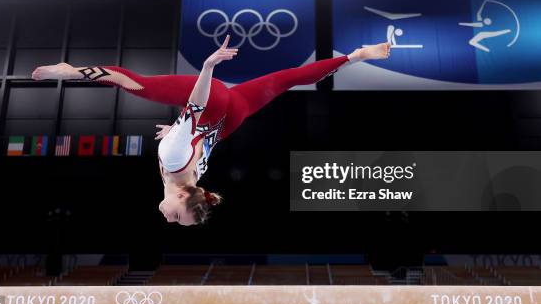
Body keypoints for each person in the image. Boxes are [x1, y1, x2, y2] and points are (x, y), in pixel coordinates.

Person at [32, 35, 391, 226]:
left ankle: (354, 57)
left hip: (230, 117)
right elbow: (195, 108)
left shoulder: (190, 180)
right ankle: (70, 71)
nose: (170, 220)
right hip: (212, 101)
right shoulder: (175, 164)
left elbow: (197, 137)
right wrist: (205, 70)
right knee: (132, 82)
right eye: (177, 216)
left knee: (285, 80)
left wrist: (179, 129)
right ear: (184, 197)